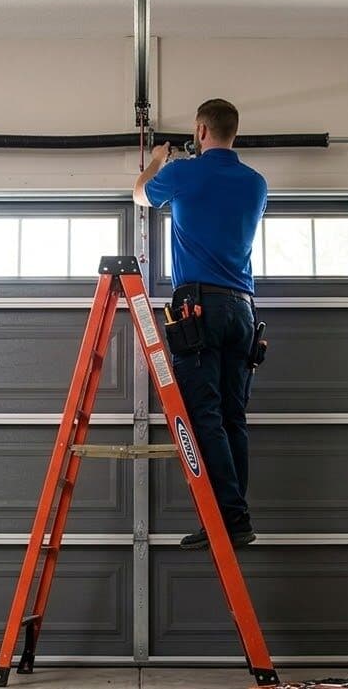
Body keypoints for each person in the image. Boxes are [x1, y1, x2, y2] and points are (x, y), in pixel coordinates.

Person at [133, 98, 268, 550]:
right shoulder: (256, 184)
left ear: (200, 130)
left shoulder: (183, 173)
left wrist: (157, 159)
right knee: (233, 416)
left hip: (198, 307)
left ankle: (228, 517)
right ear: (234, 132)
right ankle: (235, 517)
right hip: (243, 309)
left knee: (203, 415)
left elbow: (139, 194)